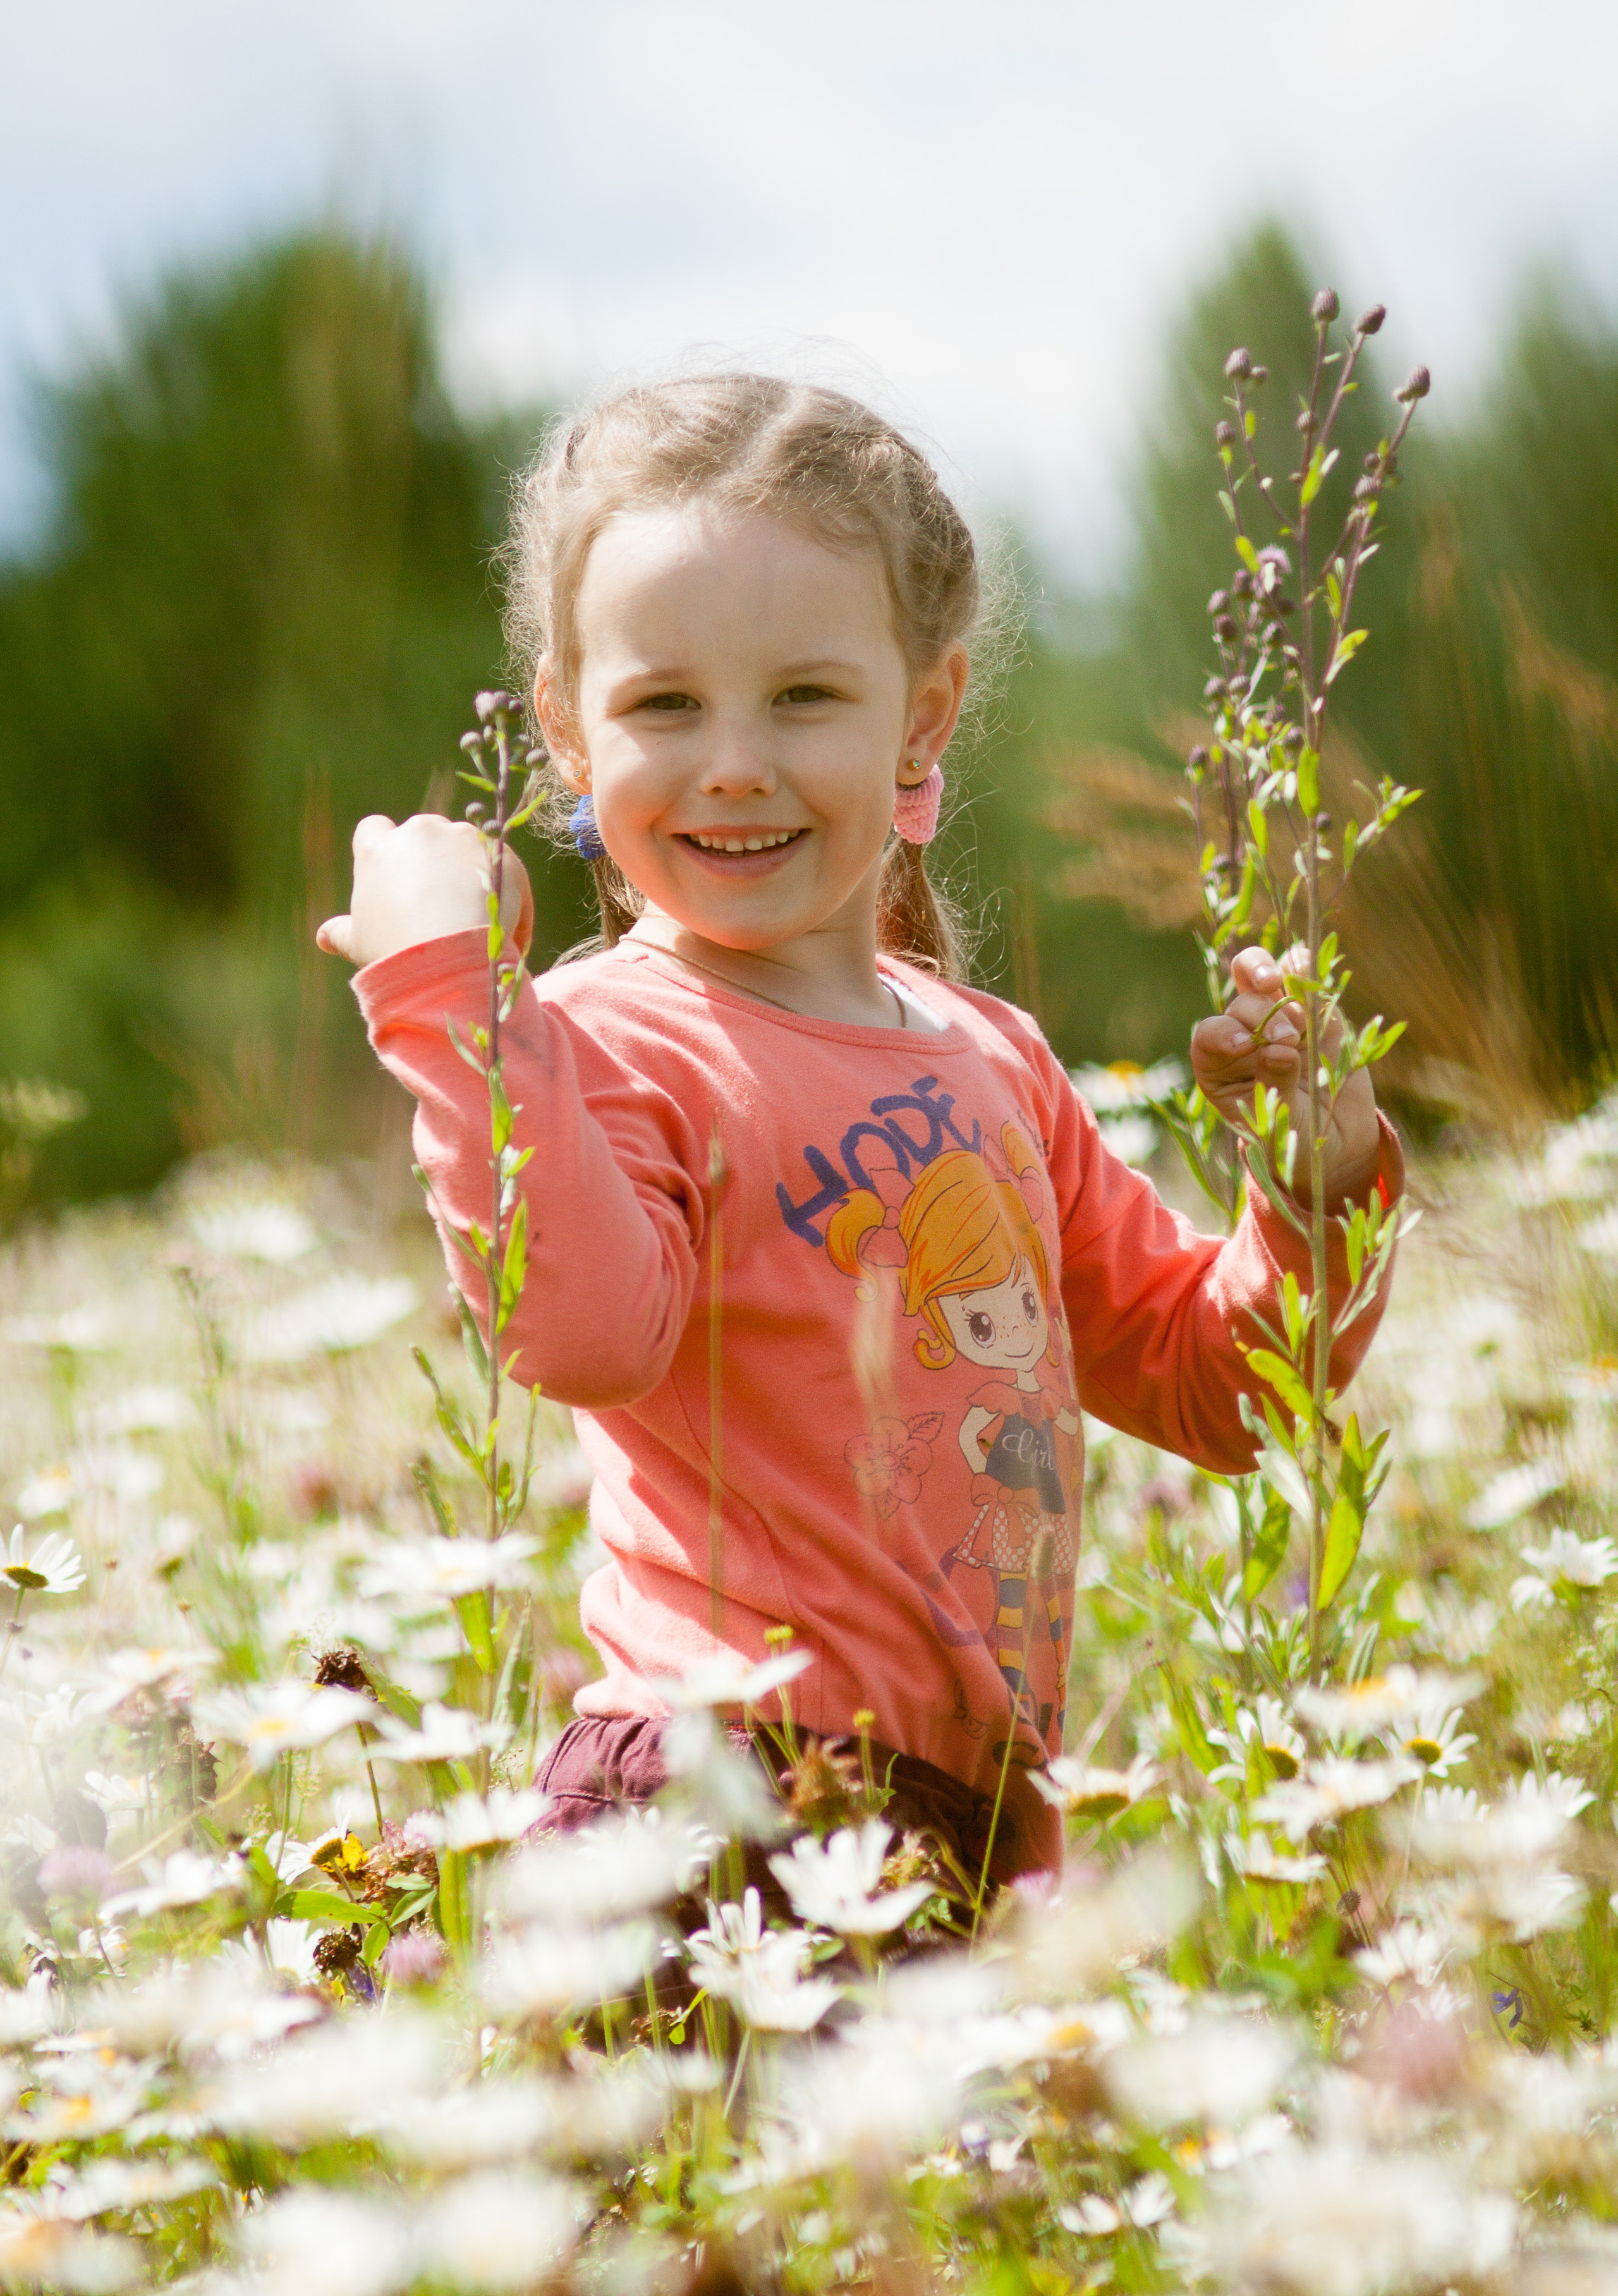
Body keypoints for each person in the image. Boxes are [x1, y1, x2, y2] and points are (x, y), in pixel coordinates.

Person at [317, 375, 1401, 1884]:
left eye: (804, 697)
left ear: (922, 719)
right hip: (717, 1801)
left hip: (965, 1824)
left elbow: (1214, 1387)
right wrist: (457, 1002)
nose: (733, 760)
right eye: (664, 704)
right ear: (567, 730)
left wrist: (1314, 1184)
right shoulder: (608, 1040)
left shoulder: (990, 1056)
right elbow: (578, 1337)